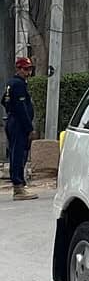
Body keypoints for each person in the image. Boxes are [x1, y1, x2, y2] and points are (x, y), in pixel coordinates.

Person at [2, 57, 38, 201]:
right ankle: (18, 187)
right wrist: (29, 128)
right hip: (18, 124)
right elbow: (22, 109)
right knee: (18, 154)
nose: (28, 72)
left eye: (29, 69)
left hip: (12, 121)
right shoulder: (18, 84)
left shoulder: (11, 83)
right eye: (25, 69)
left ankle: (20, 183)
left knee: (16, 152)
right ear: (19, 69)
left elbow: (4, 100)